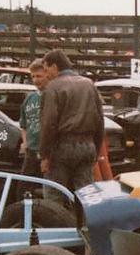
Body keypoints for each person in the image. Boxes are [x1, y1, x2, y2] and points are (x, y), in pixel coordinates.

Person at [39, 49, 104, 204]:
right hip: (87, 146)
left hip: (62, 147)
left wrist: (44, 155)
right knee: (87, 195)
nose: (46, 75)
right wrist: (96, 147)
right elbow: (100, 120)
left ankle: (56, 227)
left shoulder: (53, 88)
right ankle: (89, 225)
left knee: (54, 196)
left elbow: (49, 124)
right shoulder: (89, 84)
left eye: (46, 70)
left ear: (54, 66)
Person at [17, 59, 47, 199]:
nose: (35, 80)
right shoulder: (30, 98)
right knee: (23, 188)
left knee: (48, 190)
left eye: (39, 76)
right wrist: (25, 142)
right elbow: (23, 124)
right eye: (33, 76)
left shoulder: (53, 96)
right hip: (31, 151)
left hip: (47, 152)